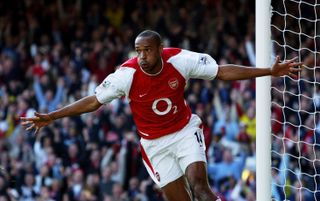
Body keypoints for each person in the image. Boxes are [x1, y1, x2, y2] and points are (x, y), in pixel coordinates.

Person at [21, 30, 302, 201]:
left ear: (159, 49)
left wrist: (268, 71)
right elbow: (94, 101)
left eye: (147, 50)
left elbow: (222, 71)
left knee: (200, 189)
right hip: (154, 145)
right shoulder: (125, 75)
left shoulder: (179, 60)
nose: (142, 56)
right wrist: (52, 116)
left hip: (183, 132)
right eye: (138, 51)